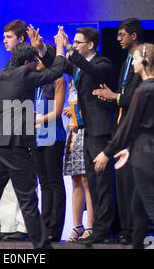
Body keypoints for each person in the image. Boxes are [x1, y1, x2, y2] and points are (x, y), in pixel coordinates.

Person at [0, 38, 67, 249]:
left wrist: (37, 49)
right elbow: (55, 71)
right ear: (26, 63)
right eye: (34, 61)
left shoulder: (3, 74)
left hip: (0, 143)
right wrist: (59, 49)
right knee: (28, 198)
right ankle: (42, 248)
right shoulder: (24, 74)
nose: (36, 65)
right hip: (15, 143)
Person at [93, 43, 154, 249]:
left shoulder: (144, 91)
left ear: (144, 62)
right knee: (138, 209)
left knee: (151, 207)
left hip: (145, 153)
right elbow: (146, 127)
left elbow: (128, 126)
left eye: (134, 60)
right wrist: (129, 149)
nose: (132, 63)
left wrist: (107, 152)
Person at [46, 26, 114, 245]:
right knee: (85, 179)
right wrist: (44, 49)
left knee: (98, 181)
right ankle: (84, 227)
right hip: (78, 128)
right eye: (72, 42)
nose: (74, 45)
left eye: (78, 42)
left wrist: (68, 48)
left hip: (96, 129)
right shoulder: (76, 64)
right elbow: (56, 65)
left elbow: (91, 70)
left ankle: (98, 228)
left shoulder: (102, 63)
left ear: (91, 45)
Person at [92, 18, 144, 244]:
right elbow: (124, 97)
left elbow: (141, 97)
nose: (118, 39)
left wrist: (117, 96)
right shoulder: (126, 61)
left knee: (132, 184)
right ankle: (126, 230)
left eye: (121, 35)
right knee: (122, 183)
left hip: (137, 132)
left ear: (133, 35)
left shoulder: (143, 59)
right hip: (121, 129)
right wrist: (111, 96)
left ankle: (136, 232)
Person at [30, 44, 67, 242]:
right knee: (43, 183)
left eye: (39, 57)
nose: (36, 61)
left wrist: (36, 119)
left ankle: (55, 226)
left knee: (54, 182)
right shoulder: (35, 81)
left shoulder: (58, 79)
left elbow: (58, 112)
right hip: (36, 136)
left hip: (53, 135)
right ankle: (44, 225)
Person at [0, 19, 29, 241]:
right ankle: (8, 226)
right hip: (6, 128)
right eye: (4, 36)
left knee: (25, 180)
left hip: (28, 128)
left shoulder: (34, 62)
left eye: (9, 37)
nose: (5, 41)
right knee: (6, 181)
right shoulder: (8, 66)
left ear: (22, 38)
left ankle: (26, 227)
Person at [63, 76, 94, 243]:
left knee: (86, 179)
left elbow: (92, 107)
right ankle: (77, 225)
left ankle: (90, 225)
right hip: (73, 131)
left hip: (86, 132)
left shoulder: (88, 78)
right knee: (75, 179)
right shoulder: (71, 81)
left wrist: (74, 111)